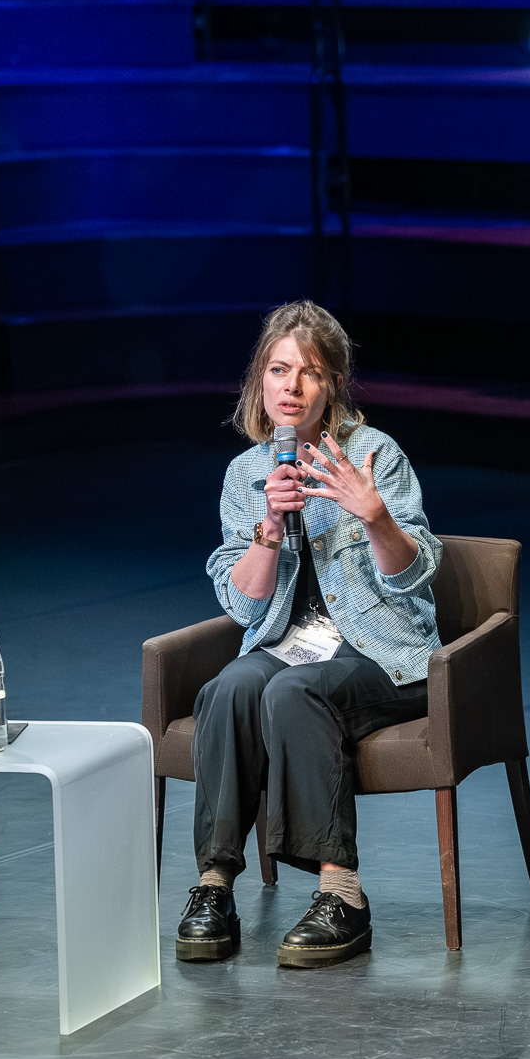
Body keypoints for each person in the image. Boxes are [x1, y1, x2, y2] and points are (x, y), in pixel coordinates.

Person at [177, 301, 444, 968]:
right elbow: (243, 605)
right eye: (279, 370)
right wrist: (268, 528)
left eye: (311, 373)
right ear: (259, 383)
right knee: (229, 688)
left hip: (384, 652)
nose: (292, 387)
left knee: (295, 692)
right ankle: (214, 886)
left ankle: (342, 894)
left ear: (334, 387)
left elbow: (415, 577)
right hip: (291, 645)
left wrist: (376, 516)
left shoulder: (374, 454)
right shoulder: (245, 476)